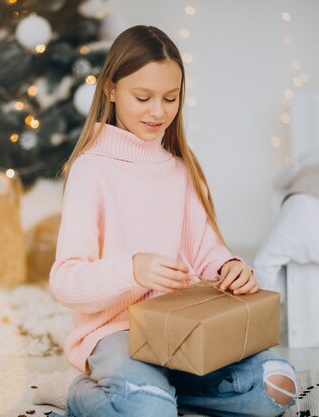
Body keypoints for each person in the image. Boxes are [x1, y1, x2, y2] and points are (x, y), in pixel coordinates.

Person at [47, 25, 298, 417]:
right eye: (143, 97)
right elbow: (66, 282)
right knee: (148, 410)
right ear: (110, 89)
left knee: (278, 385)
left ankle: (155, 391)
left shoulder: (181, 171)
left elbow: (205, 252)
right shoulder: (90, 171)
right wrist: (133, 270)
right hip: (117, 332)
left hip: (182, 328)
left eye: (171, 98)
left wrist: (230, 268)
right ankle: (81, 392)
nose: (158, 112)